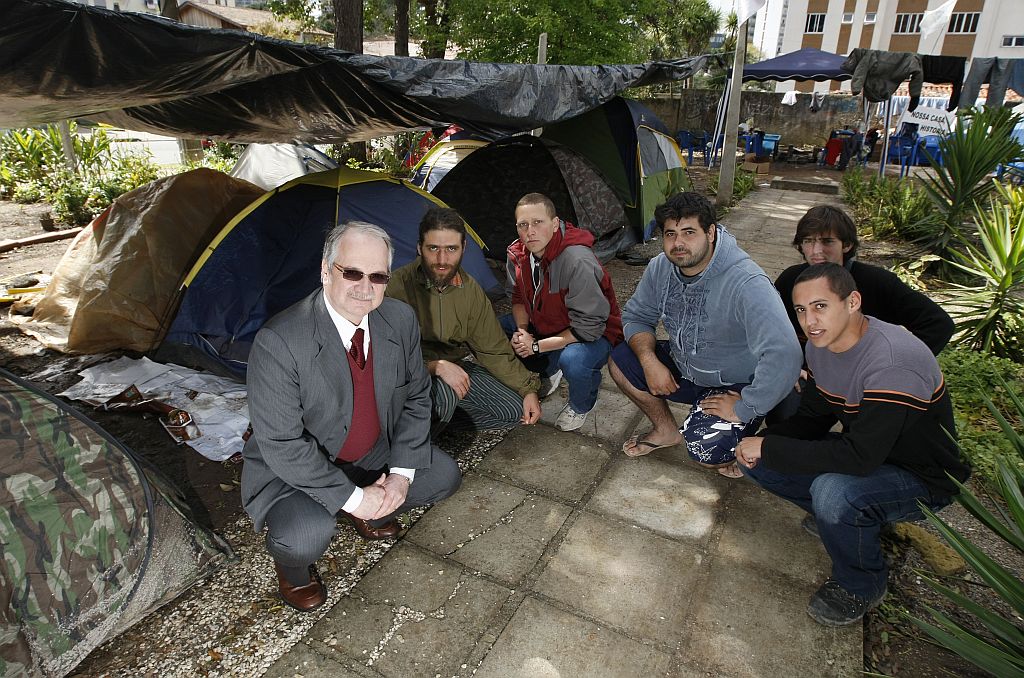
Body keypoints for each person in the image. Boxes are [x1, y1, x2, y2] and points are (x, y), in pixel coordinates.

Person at [241, 222, 462, 612]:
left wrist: (398, 477)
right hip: (297, 472)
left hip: (372, 456)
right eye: (352, 272)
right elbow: (283, 444)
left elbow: (415, 397)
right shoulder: (279, 340)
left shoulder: (400, 319)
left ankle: (373, 510)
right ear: (326, 271)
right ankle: (293, 571)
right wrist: (353, 498)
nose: (366, 287)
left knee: (442, 476)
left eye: (378, 276)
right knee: (305, 535)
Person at [736, 263, 970, 627]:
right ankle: (852, 524)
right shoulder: (821, 347)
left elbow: (859, 458)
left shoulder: (893, 362)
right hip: (873, 453)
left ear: (852, 302)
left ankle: (862, 584)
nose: (809, 320)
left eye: (820, 306)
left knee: (834, 492)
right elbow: (814, 416)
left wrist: (768, 448)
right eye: (800, 310)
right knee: (758, 460)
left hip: (924, 476)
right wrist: (764, 442)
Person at [608, 192, 801, 477]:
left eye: (689, 232)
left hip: (733, 384)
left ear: (710, 232)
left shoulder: (747, 283)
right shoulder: (660, 267)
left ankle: (741, 437)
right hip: (686, 369)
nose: (678, 244)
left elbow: (785, 352)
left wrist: (746, 406)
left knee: (706, 451)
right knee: (619, 362)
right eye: (670, 234)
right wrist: (649, 361)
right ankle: (666, 430)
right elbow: (637, 316)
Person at [772, 205, 953, 421]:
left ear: (846, 245)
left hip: (865, 380)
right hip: (812, 375)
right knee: (786, 411)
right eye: (808, 241)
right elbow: (769, 331)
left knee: (866, 435)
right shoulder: (790, 280)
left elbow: (939, 324)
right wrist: (788, 366)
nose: (816, 251)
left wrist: (895, 371)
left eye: (827, 241)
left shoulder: (877, 282)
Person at [386, 207, 542, 435]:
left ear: (463, 249)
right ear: (419, 247)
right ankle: (412, 442)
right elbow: (383, 358)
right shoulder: (395, 287)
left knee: (513, 410)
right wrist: (433, 367)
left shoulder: (470, 291)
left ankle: (432, 423)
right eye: (433, 249)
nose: (442, 260)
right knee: (445, 396)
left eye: (451, 249)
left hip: (453, 368)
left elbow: (493, 349)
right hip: (406, 378)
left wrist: (528, 389)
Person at [503, 192, 623, 432]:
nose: (530, 231)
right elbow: (517, 297)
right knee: (497, 328)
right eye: (523, 225)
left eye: (538, 222)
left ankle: (582, 403)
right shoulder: (517, 254)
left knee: (575, 360)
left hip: (596, 333)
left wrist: (535, 346)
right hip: (547, 322)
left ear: (555, 224)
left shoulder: (577, 260)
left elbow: (588, 328)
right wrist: (523, 332)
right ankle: (548, 368)